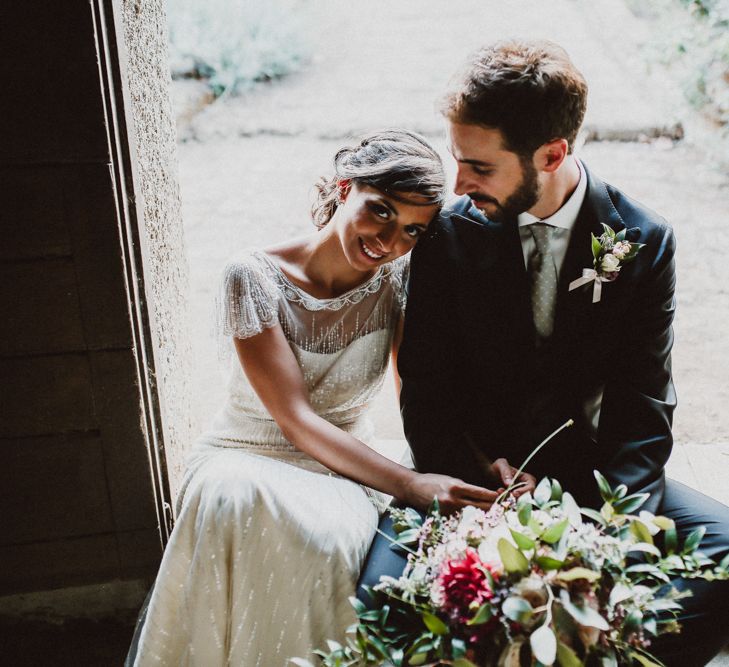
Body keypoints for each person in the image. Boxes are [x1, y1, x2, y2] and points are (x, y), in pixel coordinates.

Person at [359, 41, 729, 666]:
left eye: (478, 166)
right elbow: (426, 387)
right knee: (383, 602)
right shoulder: (447, 234)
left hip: (587, 470)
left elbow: (644, 403)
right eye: (457, 161)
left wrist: (598, 520)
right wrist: (482, 485)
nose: (457, 183)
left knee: (720, 559)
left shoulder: (642, 240)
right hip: (471, 473)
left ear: (553, 154)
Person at [126, 129, 534, 667]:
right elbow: (294, 420)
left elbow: (425, 392)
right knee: (232, 499)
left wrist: (483, 463)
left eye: (412, 230)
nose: (389, 242)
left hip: (343, 470)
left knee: (328, 541)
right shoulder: (253, 277)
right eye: (381, 211)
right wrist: (410, 484)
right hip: (248, 453)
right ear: (345, 189)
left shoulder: (400, 281)